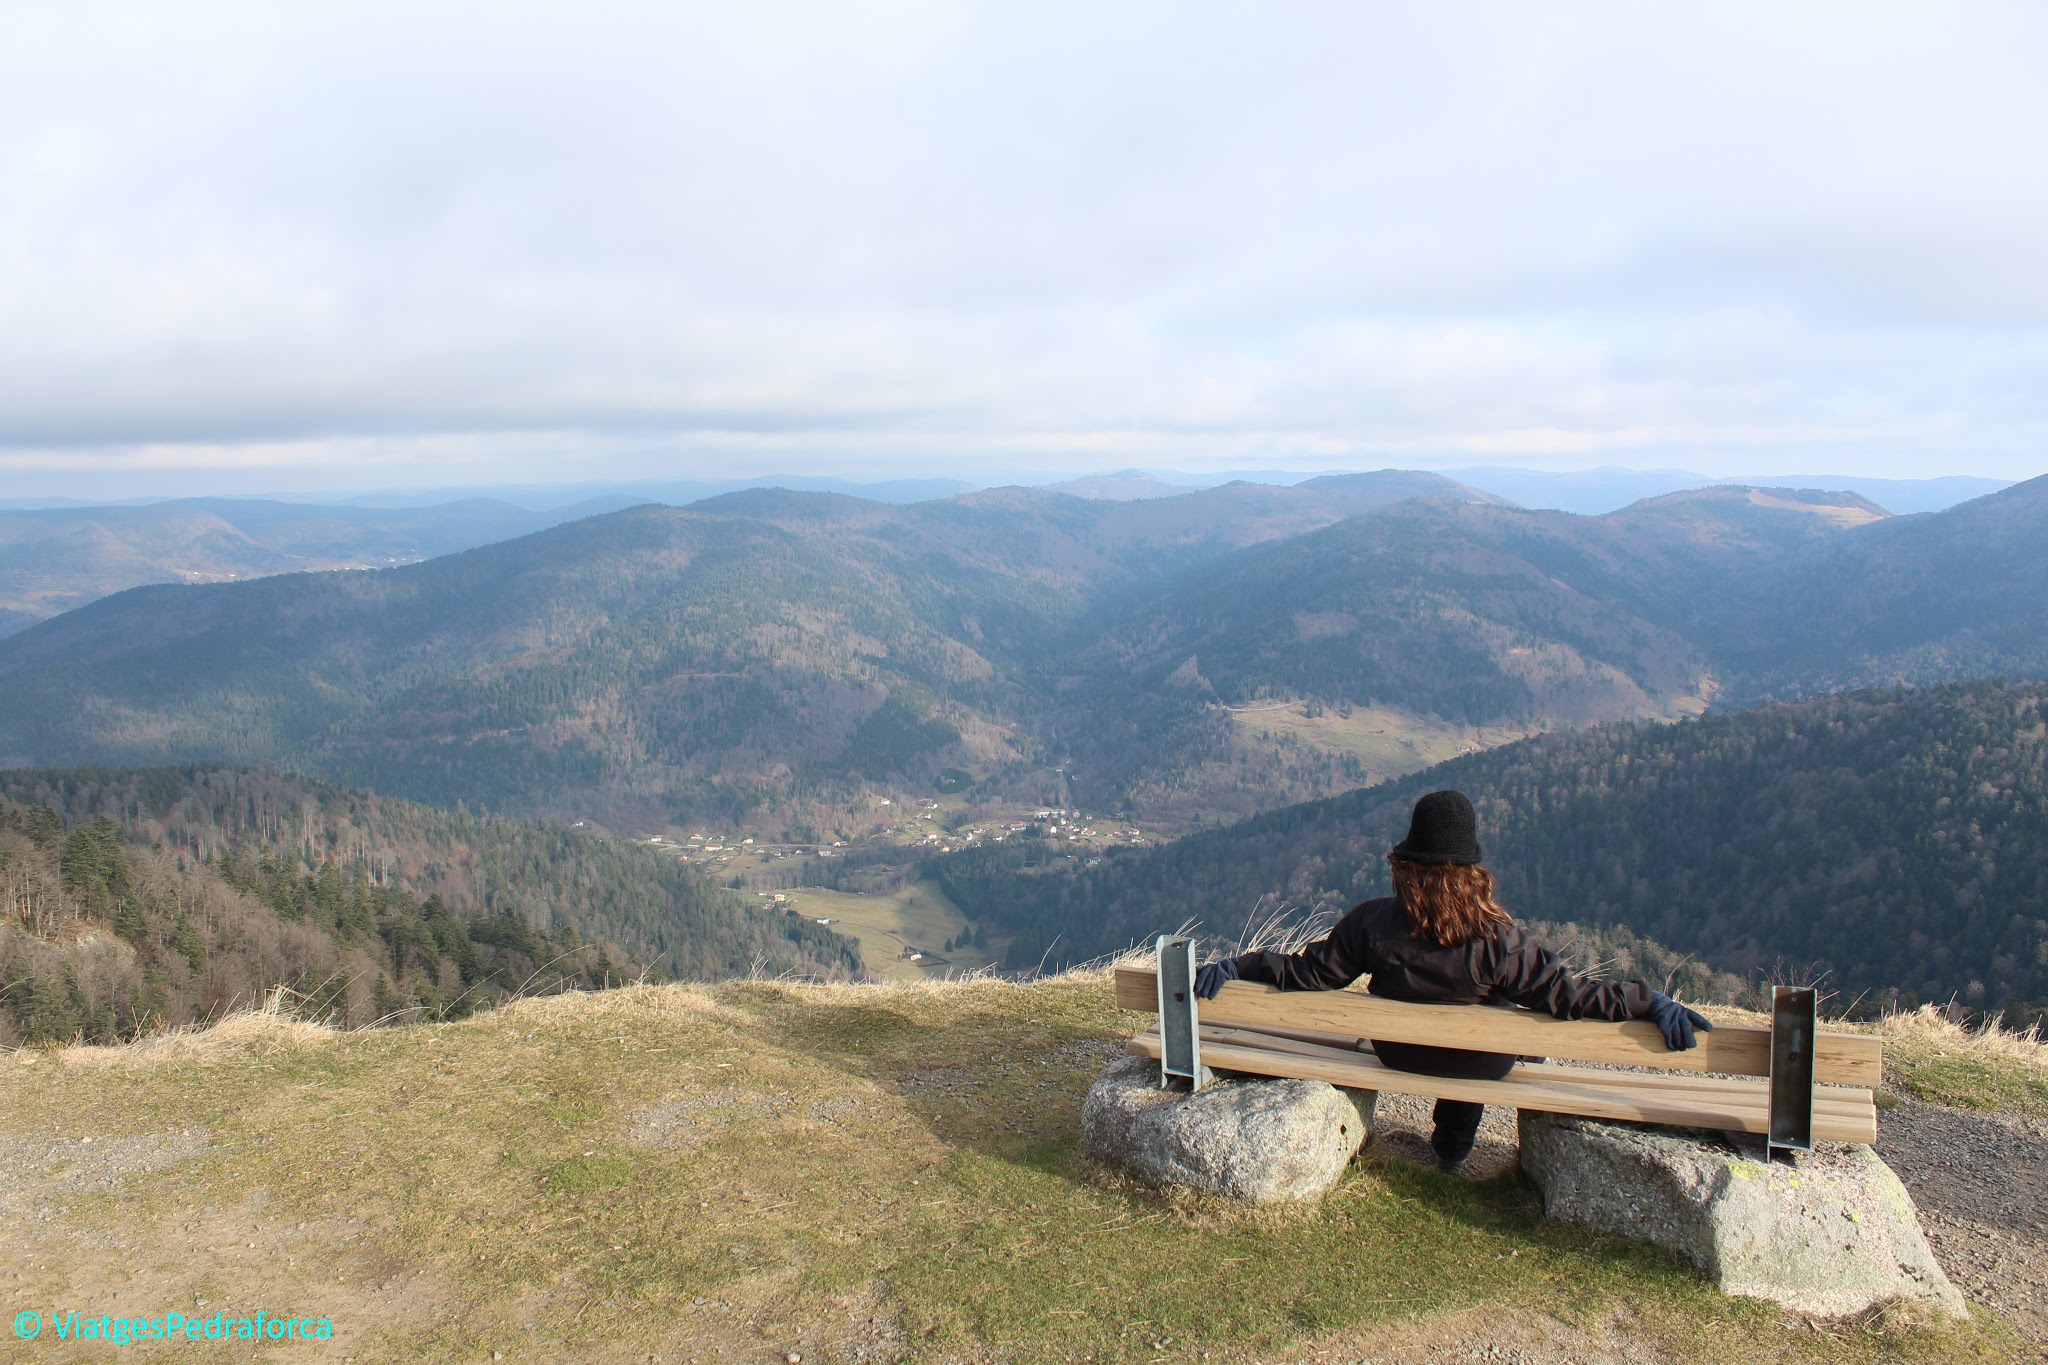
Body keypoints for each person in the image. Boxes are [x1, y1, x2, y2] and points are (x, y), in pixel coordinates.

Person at [1192, 789, 1711, 1174]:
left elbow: (1309, 974)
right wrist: (1649, 1002)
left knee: (1477, 1026)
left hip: (1400, 1051)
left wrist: (1242, 965)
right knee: (1493, 1026)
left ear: (1407, 865)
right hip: (1481, 1063)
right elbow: (1571, 996)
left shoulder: (1373, 923)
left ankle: (1453, 1135)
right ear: (1471, 873)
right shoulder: (1498, 940)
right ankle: (1453, 1147)